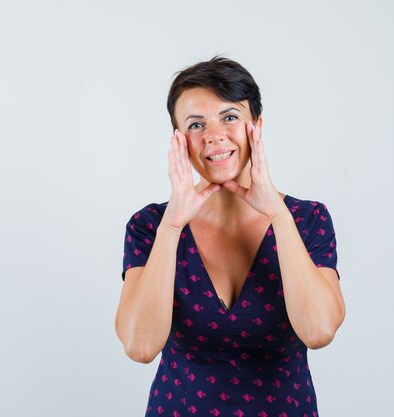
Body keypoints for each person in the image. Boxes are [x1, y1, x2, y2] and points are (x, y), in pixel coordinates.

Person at [115, 56, 345, 417]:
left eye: (230, 117)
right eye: (195, 124)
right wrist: (172, 227)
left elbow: (319, 331)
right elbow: (139, 346)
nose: (213, 135)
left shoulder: (306, 219)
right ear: (179, 139)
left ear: (257, 124)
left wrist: (277, 216)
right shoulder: (150, 226)